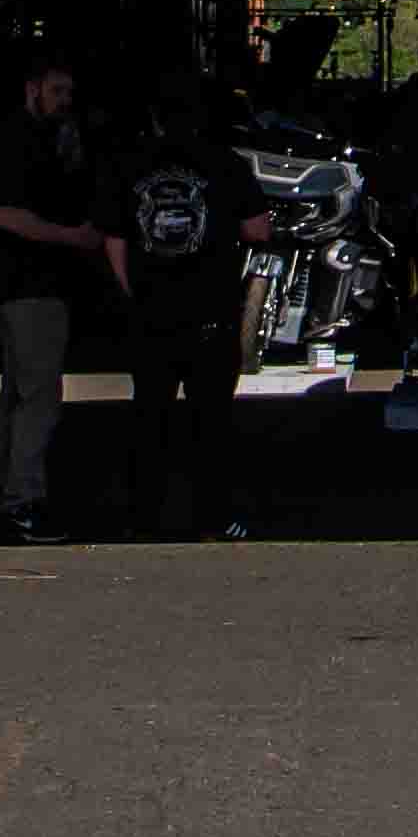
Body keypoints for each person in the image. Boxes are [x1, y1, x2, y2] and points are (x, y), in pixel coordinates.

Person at [101, 90, 269, 540]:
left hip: (151, 312)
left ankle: (143, 517)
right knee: (211, 421)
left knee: (149, 416)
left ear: (156, 120)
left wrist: (131, 292)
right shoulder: (227, 163)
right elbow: (258, 229)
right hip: (211, 310)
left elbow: (114, 240)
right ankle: (211, 518)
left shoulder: (129, 165)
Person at [0, 53, 115, 543]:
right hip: (29, 286)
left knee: (19, 397)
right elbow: (6, 215)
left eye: (69, 93)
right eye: (57, 91)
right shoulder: (16, 142)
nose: (65, 101)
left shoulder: (45, 140)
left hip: (27, 286)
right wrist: (73, 237)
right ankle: (21, 502)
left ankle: (8, 500)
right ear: (31, 88)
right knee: (38, 398)